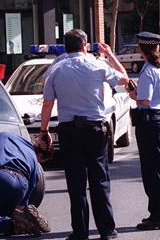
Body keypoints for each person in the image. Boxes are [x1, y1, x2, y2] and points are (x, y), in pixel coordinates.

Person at [38, 29, 129, 240]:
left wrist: (44, 131)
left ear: (65, 47)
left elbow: (48, 103)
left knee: (75, 183)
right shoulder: (97, 64)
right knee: (99, 180)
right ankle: (106, 230)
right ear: (84, 45)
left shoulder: (55, 69)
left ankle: (80, 231)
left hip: (69, 131)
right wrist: (110, 56)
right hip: (95, 129)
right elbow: (123, 79)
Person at [126, 31, 160, 231]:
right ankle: (159, 214)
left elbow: (145, 100)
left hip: (150, 123)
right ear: (157, 48)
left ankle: (158, 218)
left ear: (141, 50)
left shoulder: (147, 71)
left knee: (152, 172)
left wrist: (132, 94)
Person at [0, 131, 51, 237]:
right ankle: (20, 222)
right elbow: (21, 205)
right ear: (39, 155)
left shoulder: (5, 135)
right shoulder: (34, 161)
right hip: (22, 184)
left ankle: (13, 224)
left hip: (1, 176)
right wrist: (22, 210)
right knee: (2, 214)